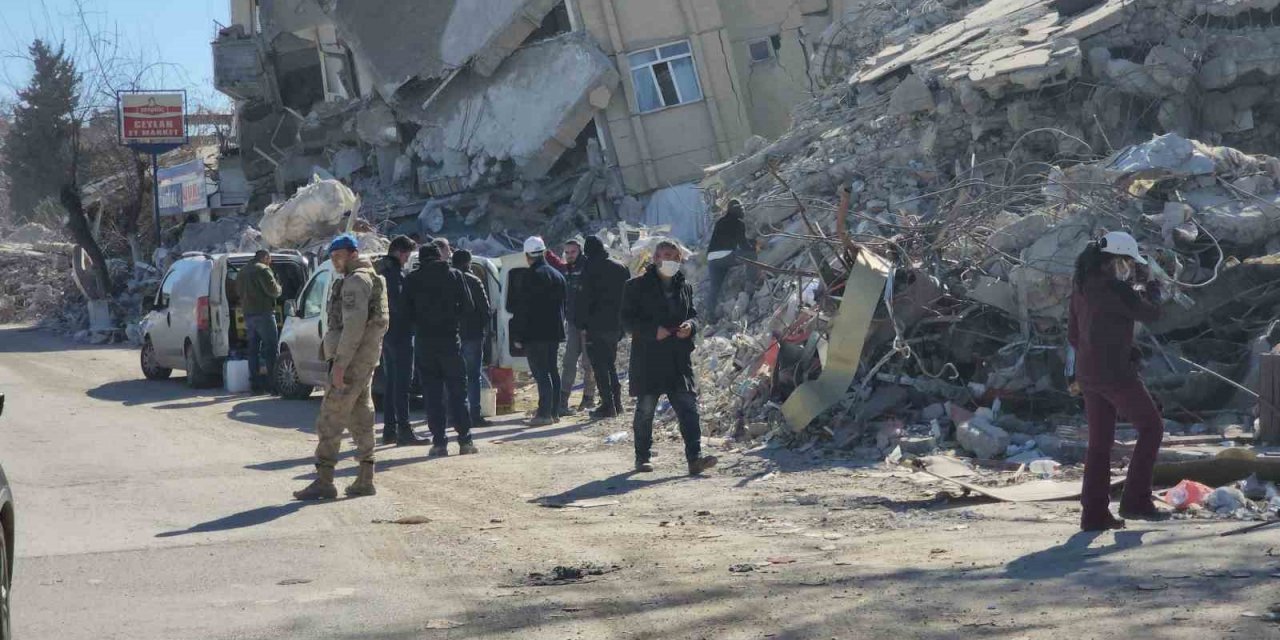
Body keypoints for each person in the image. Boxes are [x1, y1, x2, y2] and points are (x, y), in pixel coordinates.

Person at [1068, 231, 1167, 531]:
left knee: (1099, 443)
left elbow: (1075, 333)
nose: (1125, 267)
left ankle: (1094, 514)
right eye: (1125, 261)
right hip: (1114, 374)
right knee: (1152, 427)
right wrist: (1152, 287)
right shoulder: (1115, 289)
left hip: (1088, 373)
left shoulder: (1081, 286)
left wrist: (1122, 347)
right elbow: (1152, 314)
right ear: (1114, 261)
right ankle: (1136, 500)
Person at [294, 235, 389, 500]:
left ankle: (325, 480)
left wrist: (340, 365)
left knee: (330, 417)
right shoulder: (372, 278)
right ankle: (365, 477)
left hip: (350, 361)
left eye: (338, 256)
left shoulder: (356, 281)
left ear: (352, 253)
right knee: (361, 416)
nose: (335, 262)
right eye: (333, 257)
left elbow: (353, 327)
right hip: (365, 359)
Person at [621, 239, 718, 476]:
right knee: (645, 410)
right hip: (648, 358)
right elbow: (626, 321)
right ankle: (642, 457)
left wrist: (690, 326)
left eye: (675, 257)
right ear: (655, 258)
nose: (670, 261)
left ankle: (694, 458)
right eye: (665, 255)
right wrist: (653, 332)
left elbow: (694, 315)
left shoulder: (684, 286)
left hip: (677, 358)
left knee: (688, 408)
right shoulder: (635, 286)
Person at [404, 242, 478, 457]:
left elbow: (404, 313)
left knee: (432, 394)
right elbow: (468, 307)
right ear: (439, 256)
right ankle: (465, 441)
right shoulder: (454, 275)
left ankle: (439, 443)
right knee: (458, 391)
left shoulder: (412, 279)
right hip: (449, 341)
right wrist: (454, 321)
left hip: (425, 343)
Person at [376, 236, 427, 446]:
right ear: (398, 252)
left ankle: (389, 429)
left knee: (391, 384)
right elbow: (398, 306)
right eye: (406, 254)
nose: (407, 259)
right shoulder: (393, 274)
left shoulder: (381, 271)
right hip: (399, 335)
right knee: (402, 384)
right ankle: (404, 430)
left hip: (386, 335)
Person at [510, 236, 566, 426]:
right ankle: (554, 411)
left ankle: (543, 414)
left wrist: (517, 335)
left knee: (541, 373)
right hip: (554, 332)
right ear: (543, 252)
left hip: (535, 334)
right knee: (552, 371)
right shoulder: (558, 275)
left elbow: (523, 309)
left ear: (527, 255)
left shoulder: (529, 276)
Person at [577, 235, 630, 419]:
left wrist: (582, 324)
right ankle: (617, 403)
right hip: (616, 325)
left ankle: (607, 405)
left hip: (596, 325)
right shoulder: (621, 267)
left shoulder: (589, 268)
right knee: (611, 364)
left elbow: (584, 300)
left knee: (600, 366)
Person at [453, 249, 493, 427]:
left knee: (454, 376)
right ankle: (474, 415)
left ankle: (453, 415)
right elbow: (485, 310)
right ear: (468, 263)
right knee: (473, 376)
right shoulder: (474, 281)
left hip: (452, 335)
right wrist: (482, 328)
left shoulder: (447, 280)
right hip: (472, 335)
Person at [557, 238, 595, 414]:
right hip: (573, 324)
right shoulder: (568, 270)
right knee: (569, 362)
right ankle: (563, 399)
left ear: (579, 251)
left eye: (573, 252)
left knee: (588, 364)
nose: (570, 255)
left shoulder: (587, 268)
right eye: (567, 252)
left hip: (588, 325)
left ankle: (588, 398)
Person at [236, 250, 282, 394]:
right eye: (269, 259)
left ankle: (255, 385)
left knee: (253, 351)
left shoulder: (242, 271)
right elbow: (274, 291)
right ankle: (273, 385)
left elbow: (237, 291)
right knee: (271, 349)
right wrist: (280, 287)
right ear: (264, 258)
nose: (270, 262)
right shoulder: (263, 270)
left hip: (248, 314)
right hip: (264, 313)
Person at [704, 199, 752, 322]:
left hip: (712, 258)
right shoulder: (739, 223)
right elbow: (743, 245)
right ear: (737, 210)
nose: (743, 211)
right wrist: (755, 247)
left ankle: (709, 315)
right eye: (741, 209)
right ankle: (752, 283)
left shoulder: (720, 221)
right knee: (751, 256)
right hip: (726, 256)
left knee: (715, 287)